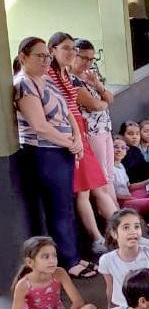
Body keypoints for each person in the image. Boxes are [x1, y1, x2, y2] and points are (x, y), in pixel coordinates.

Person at [12, 37, 97, 279]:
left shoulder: (47, 78)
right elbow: (39, 125)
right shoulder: (24, 84)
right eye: (40, 56)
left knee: (65, 206)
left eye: (47, 56)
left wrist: (77, 139)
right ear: (23, 57)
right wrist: (70, 143)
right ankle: (68, 261)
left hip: (63, 150)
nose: (45, 61)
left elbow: (68, 111)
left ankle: (73, 255)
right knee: (58, 209)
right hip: (45, 153)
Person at [47, 32, 119, 255]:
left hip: (84, 132)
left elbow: (107, 99)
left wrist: (99, 89)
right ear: (53, 50)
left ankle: (122, 230)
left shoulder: (69, 76)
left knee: (101, 183)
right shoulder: (55, 76)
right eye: (67, 49)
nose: (73, 55)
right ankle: (101, 238)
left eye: (74, 50)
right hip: (78, 134)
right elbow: (95, 105)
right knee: (87, 190)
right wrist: (101, 102)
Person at [77, 209, 149, 309]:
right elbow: (110, 287)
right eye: (126, 227)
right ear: (114, 233)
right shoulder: (107, 259)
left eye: (136, 227)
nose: (133, 231)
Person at [9, 236, 97, 309]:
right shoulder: (23, 285)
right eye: (46, 257)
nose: (52, 261)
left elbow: (78, 301)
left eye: (54, 256)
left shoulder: (59, 273)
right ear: (30, 262)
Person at [71, 39, 117, 202]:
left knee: (110, 173)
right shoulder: (71, 79)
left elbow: (110, 97)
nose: (88, 62)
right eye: (83, 58)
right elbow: (94, 105)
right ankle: (112, 212)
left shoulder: (90, 75)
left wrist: (98, 85)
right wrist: (103, 103)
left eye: (91, 59)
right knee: (102, 174)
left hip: (105, 128)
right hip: (91, 131)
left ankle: (116, 208)